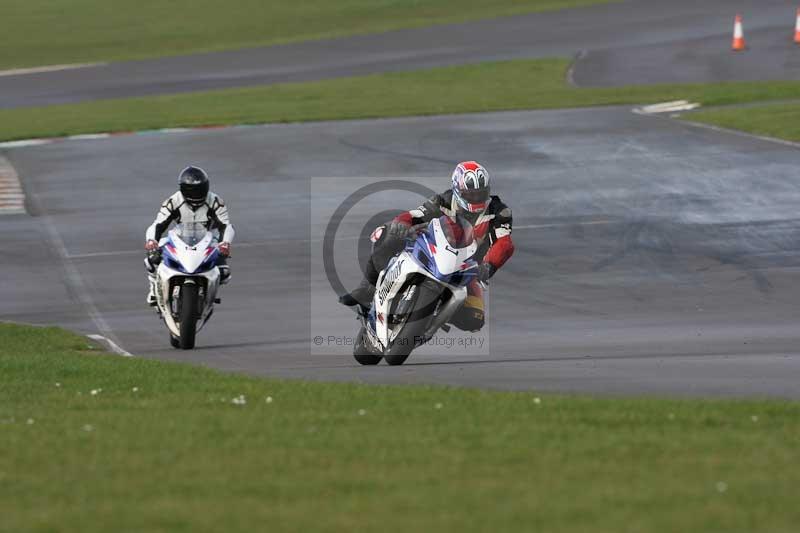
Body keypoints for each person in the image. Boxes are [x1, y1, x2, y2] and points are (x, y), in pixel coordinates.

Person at [339, 161, 514, 331]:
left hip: (468, 269)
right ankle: (367, 288)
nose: (475, 198)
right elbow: (417, 214)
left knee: (474, 320)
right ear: (457, 190)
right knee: (387, 233)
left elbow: (504, 243)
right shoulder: (444, 200)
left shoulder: (499, 212)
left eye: (480, 194)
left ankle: (435, 316)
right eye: (470, 194)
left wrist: (488, 265)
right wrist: (402, 223)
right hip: (433, 250)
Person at [144, 166, 234, 305]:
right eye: (193, 190)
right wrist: (152, 241)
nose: (197, 194)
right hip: (179, 238)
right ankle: (153, 289)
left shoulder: (216, 201)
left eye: (200, 189)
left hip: (208, 239)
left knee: (224, 273)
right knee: (152, 259)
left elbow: (226, 225)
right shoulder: (173, 201)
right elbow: (158, 224)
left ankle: (209, 295)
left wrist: (225, 243)